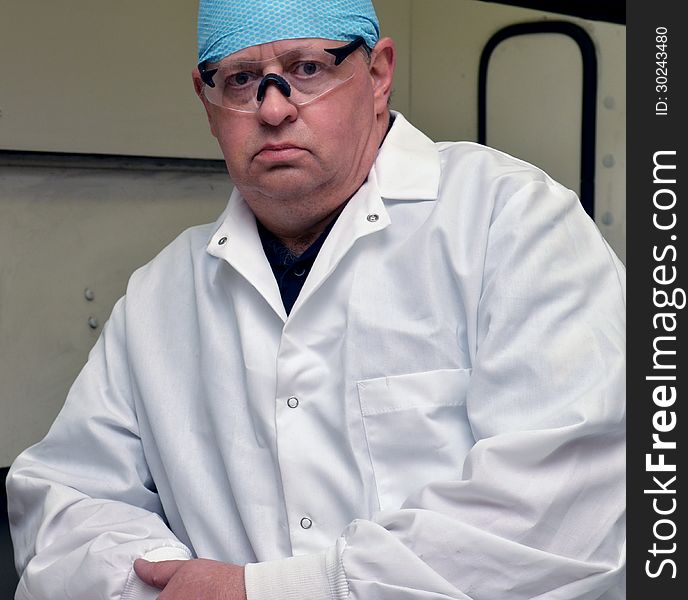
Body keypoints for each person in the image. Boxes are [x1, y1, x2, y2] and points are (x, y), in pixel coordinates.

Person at [6, 1, 626, 598]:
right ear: (207, 99)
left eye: (308, 69)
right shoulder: (162, 295)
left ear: (378, 73)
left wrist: (262, 594)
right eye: (242, 79)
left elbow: (564, 521)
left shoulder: (511, 224)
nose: (273, 109)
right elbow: (66, 501)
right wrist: (170, 582)